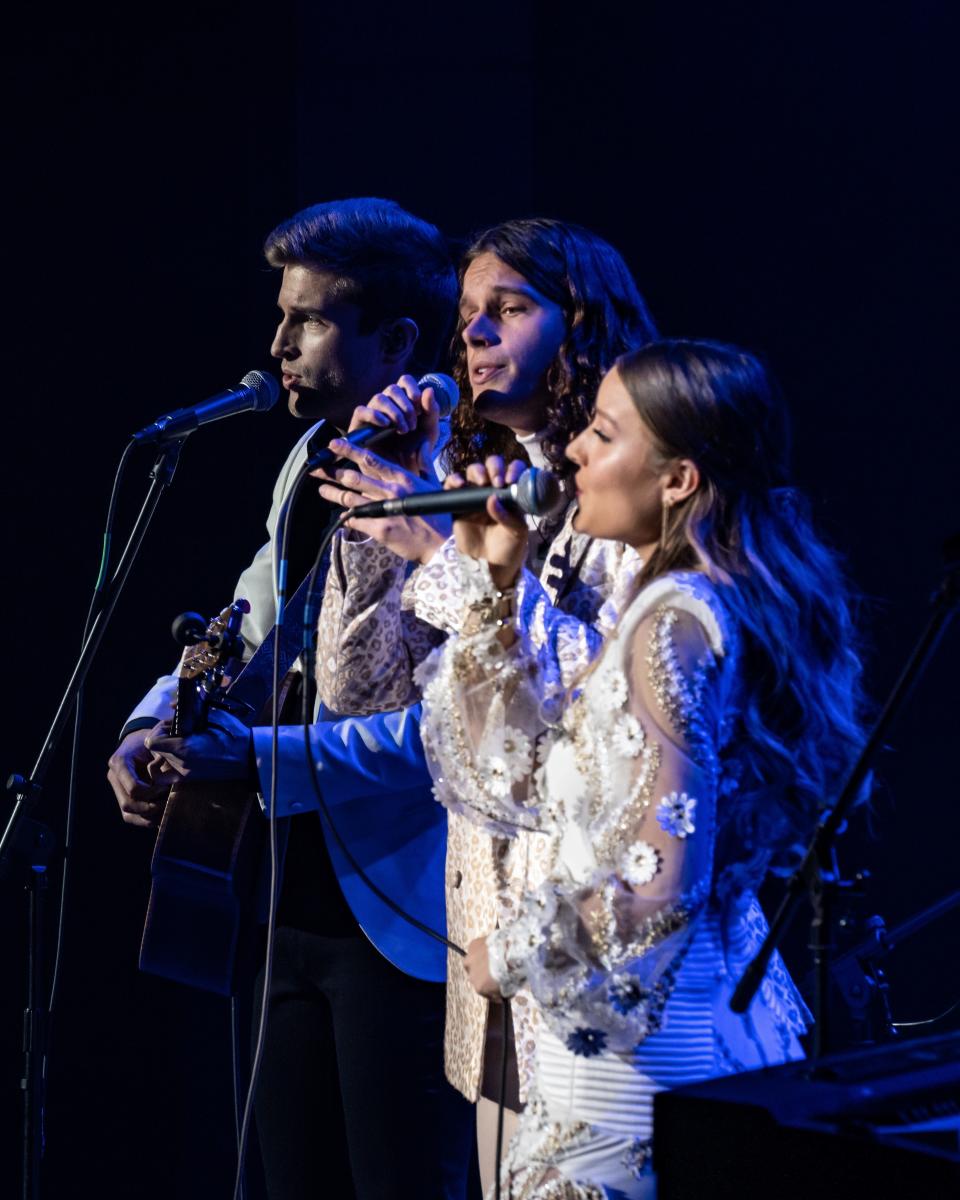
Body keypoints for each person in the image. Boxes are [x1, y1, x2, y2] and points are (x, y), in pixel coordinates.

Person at [416, 339, 866, 1197]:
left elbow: (656, 891)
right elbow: (527, 784)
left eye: (603, 434)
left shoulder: (669, 619)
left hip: (638, 1084)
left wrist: (503, 955)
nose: (575, 450)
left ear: (679, 479)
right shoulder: (717, 601)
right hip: (718, 1044)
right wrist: (493, 591)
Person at [106, 198, 475, 1200]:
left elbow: (462, 728)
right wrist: (151, 722)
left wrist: (257, 759)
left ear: (396, 339)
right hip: (279, 890)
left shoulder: (463, 483)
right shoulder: (307, 456)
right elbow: (253, 608)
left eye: (308, 320)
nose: (277, 343)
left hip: (406, 908)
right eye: (283, 314)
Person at [307, 218, 658, 1190]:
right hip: (490, 959)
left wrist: (461, 574)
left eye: (507, 309)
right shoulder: (486, 491)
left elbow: (587, 733)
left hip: (586, 945)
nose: (472, 335)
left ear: (583, 323)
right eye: (466, 316)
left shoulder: (628, 506)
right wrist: (396, 515)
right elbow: (359, 691)